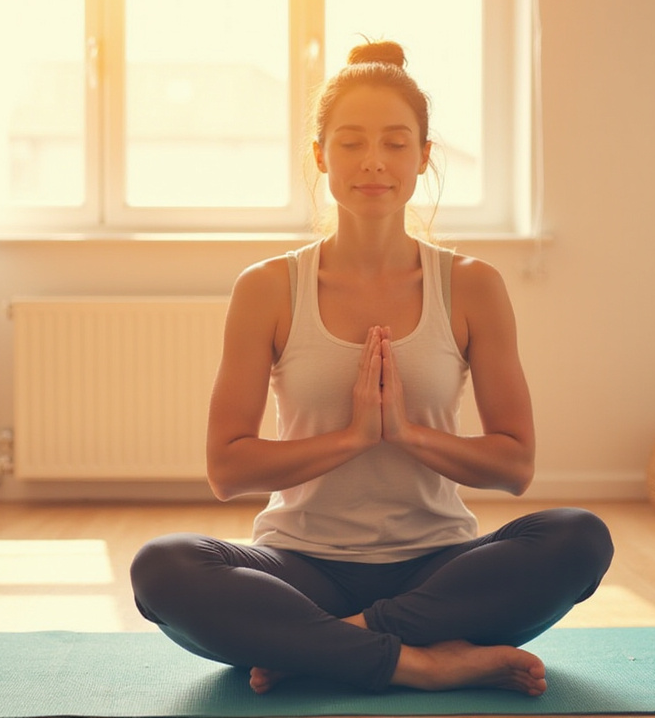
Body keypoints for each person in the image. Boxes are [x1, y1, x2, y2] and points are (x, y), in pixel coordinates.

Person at [130, 40, 613, 697]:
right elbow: (227, 467)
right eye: (352, 143)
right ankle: (423, 661)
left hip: (439, 569)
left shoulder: (471, 286)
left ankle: (329, 646)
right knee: (163, 567)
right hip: (299, 567)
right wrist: (352, 438)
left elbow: (515, 464)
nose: (374, 163)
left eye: (395, 142)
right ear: (321, 155)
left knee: (579, 537)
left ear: (422, 156)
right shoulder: (269, 287)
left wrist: (408, 434)